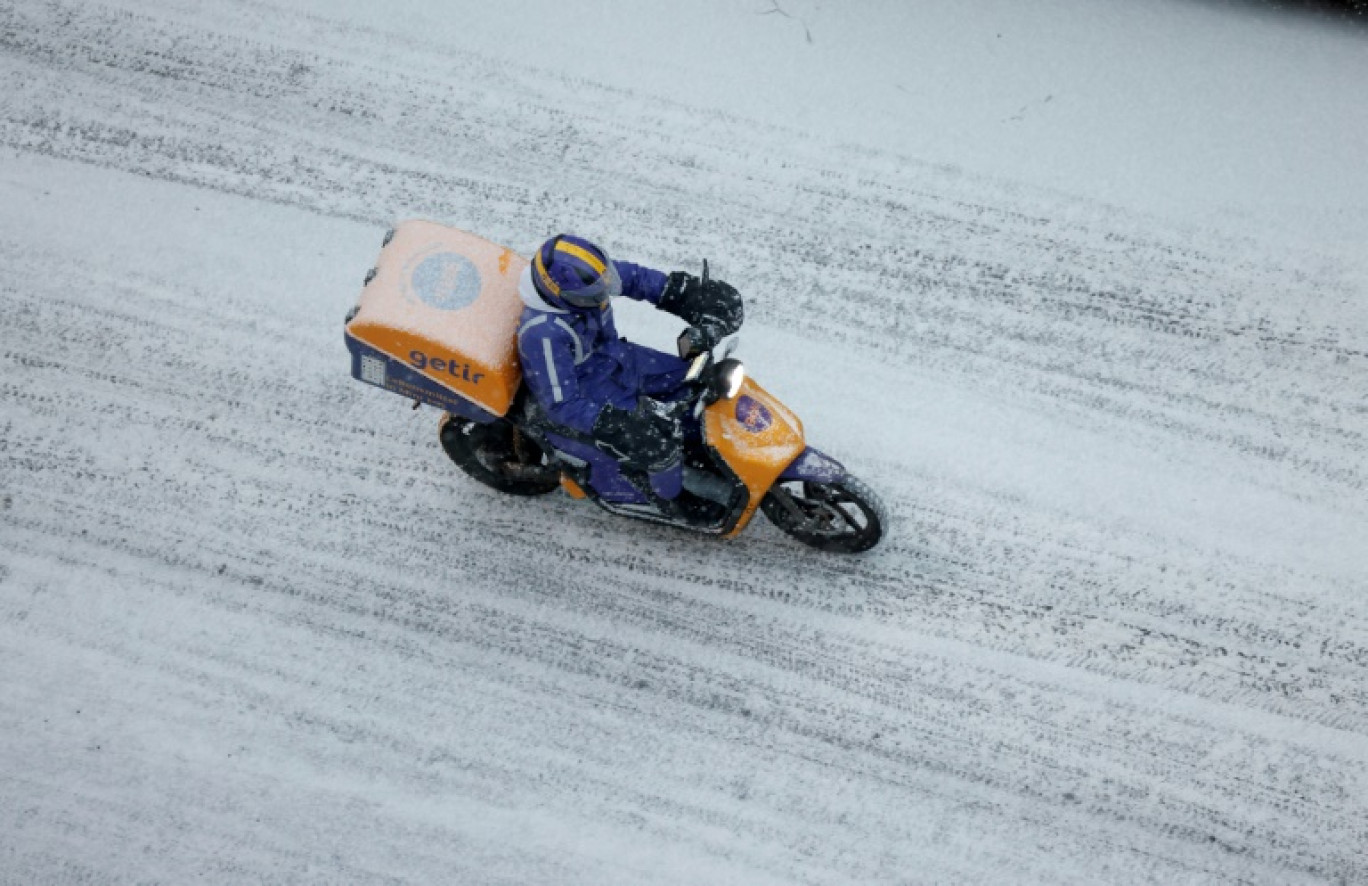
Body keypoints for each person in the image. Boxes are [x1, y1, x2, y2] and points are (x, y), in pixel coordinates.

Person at [516, 234, 742, 517]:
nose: (604, 297)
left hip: (622, 361)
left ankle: (701, 448)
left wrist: (687, 293)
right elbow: (562, 403)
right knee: (657, 445)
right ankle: (670, 499)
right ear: (562, 298)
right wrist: (619, 425)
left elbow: (636, 279)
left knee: (698, 382)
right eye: (596, 296)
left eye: (604, 286)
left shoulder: (590, 281)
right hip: (592, 393)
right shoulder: (543, 333)